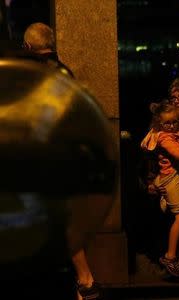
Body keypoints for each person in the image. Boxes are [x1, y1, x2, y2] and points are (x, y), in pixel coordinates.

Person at [21, 22, 99, 300]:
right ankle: (81, 282)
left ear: (28, 47)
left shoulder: (33, 73)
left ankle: (85, 279)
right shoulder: (65, 72)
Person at [140, 100, 179, 277]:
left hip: (178, 179)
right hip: (170, 180)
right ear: (159, 123)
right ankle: (170, 256)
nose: (172, 125)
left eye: (175, 121)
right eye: (167, 123)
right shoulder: (164, 137)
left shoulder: (175, 132)